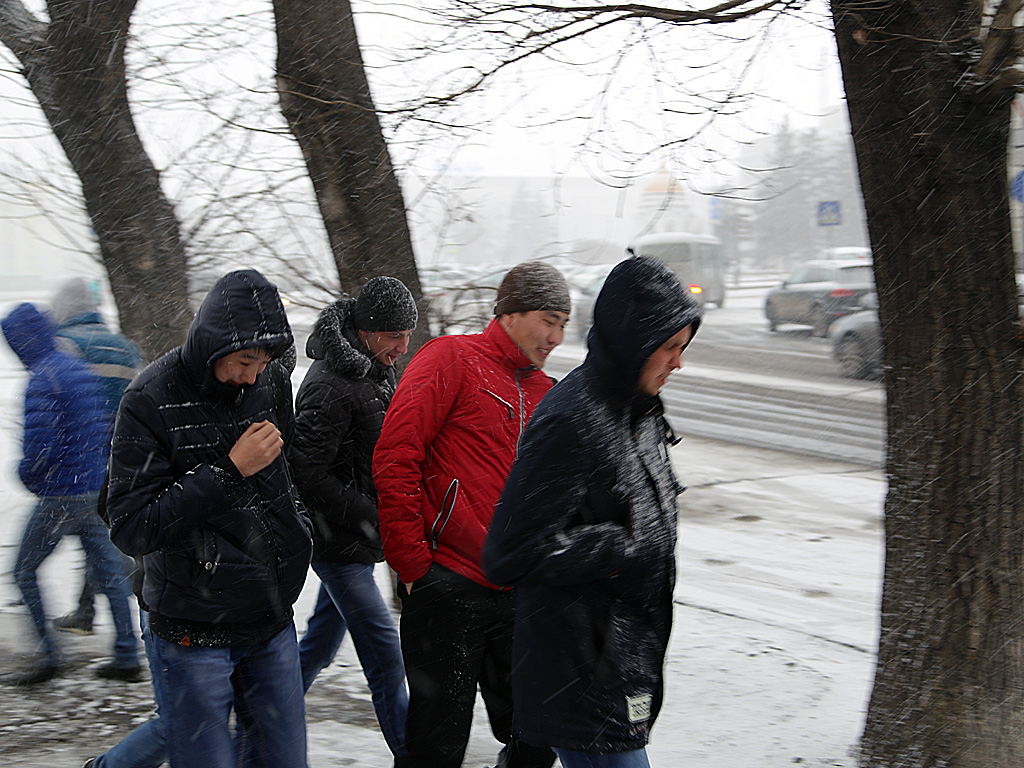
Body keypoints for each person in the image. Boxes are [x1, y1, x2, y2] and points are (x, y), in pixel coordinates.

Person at [481, 256, 702, 768]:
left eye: (683, 348)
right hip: (581, 668)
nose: (678, 363)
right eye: (669, 348)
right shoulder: (571, 421)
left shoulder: (640, 411)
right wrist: (613, 547)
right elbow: (509, 553)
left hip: (621, 653)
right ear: (633, 341)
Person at [104, 269, 313, 768]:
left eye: (262, 363)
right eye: (244, 361)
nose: (251, 375)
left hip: (271, 615)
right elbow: (131, 525)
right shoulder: (148, 397)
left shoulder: (267, 384)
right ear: (216, 341)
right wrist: (227, 471)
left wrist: (298, 530)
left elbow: (287, 476)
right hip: (192, 629)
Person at [373, 261, 570, 768]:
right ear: (510, 311)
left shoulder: (545, 393)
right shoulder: (452, 359)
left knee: (539, 734)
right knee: (436, 749)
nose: (556, 336)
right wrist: (413, 565)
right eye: (548, 319)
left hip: (516, 596)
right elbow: (396, 456)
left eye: (564, 324)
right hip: (448, 586)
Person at [289, 275, 417, 756]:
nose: (402, 347)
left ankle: (260, 719)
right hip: (337, 543)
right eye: (394, 336)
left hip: (360, 540)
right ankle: (413, 756)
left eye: (407, 335)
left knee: (319, 646)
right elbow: (306, 474)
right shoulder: (330, 386)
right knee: (385, 654)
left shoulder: (376, 369)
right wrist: (373, 515)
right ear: (364, 330)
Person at [1, 302, 141, 687]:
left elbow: (42, 448)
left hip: (61, 495)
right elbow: (99, 429)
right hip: (92, 488)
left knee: (23, 570)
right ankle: (127, 655)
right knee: (110, 575)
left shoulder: (43, 377)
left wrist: (27, 476)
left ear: (21, 340)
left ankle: (48, 655)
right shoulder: (78, 370)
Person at [47, 277, 144, 639]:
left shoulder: (63, 346)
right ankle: (87, 610)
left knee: (92, 536)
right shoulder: (126, 348)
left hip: (81, 461)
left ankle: (138, 584)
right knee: (99, 533)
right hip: (126, 458)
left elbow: (54, 406)